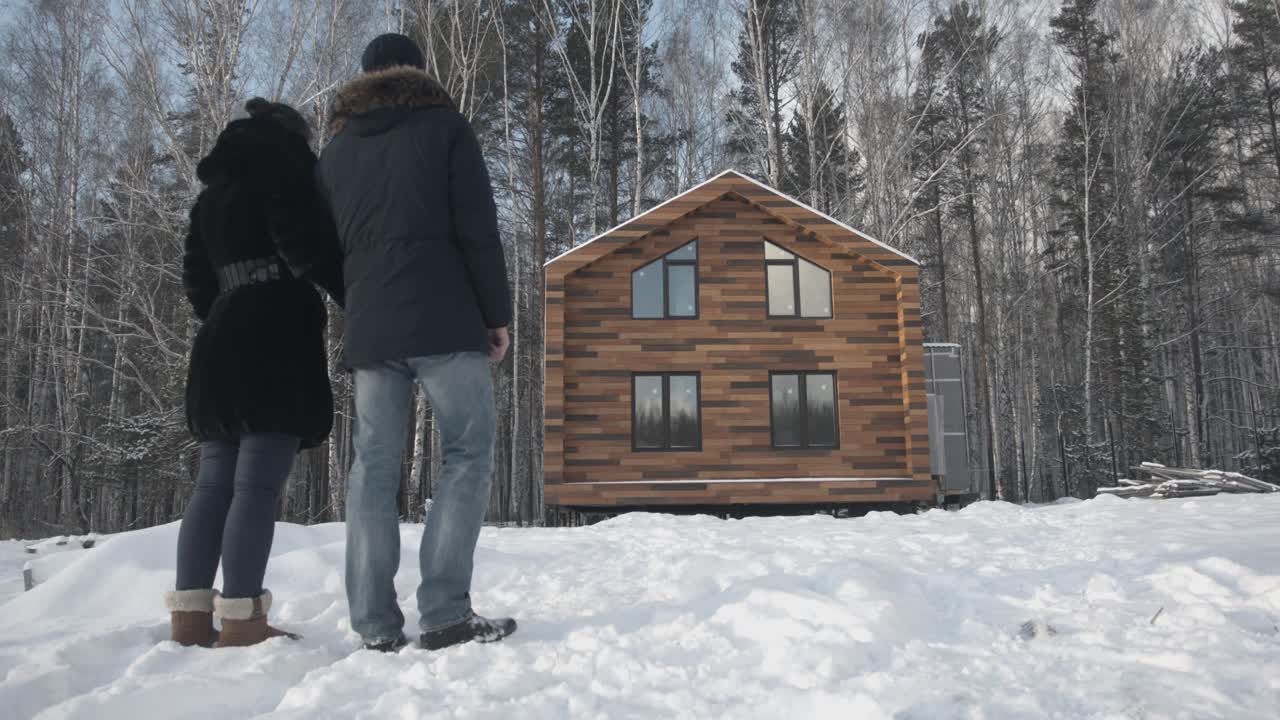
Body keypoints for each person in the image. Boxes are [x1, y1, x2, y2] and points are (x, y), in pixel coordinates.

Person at [318, 34, 515, 653]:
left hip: (373, 328)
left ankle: (375, 626)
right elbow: (478, 229)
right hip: (446, 319)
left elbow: (324, 249)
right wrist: (496, 314)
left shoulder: (335, 152)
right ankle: (445, 613)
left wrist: (359, 299)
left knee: (373, 468)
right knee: (467, 453)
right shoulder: (445, 128)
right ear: (417, 73)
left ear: (364, 76)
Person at [164, 99, 345, 648]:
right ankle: (243, 621)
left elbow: (197, 282)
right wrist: (353, 294)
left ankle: (190, 618)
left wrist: (228, 310)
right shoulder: (285, 173)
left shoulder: (211, 199)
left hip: (219, 339)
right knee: (257, 487)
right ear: (293, 137)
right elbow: (307, 248)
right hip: (275, 339)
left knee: (213, 482)